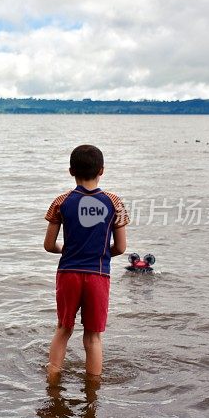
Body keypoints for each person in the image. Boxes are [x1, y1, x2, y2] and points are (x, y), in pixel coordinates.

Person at [42, 144, 128, 385]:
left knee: (63, 329)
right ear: (102, 170)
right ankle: (93, 393)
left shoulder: (61, 201)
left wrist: (66, 250)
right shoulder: (114, 202)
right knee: (93, 338)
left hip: (68, 272)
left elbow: (49, 245)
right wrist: (100, 255)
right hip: (98, 274)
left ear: (71, 171)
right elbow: (121, 248)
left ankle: (52, 383)